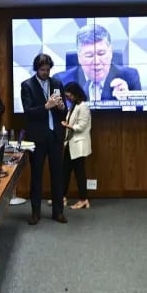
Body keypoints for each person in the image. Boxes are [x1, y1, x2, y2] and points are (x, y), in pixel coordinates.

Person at [21, 53, 68, 225]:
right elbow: (28, 112)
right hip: (37, 137)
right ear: (36, 69)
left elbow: (64, 112)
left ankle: (58, 212)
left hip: (55, 136)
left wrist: (61, 107)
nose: (45, 73)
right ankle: (35, 213)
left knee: (58, 176)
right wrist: (46, 106)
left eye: (48, 69)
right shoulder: (27, 85)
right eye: (42, 70)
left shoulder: (57, 84)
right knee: (36, 176)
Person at [58, 23, 141, 101]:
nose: (96, 61)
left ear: (111, 52)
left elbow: (139, 109)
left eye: (101, 53)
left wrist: (127, 101)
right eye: (89, 55)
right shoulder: (61, 81)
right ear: (79, 57)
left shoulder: (129, 77)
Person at [60, 82, 92, 210]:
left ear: (76, 94)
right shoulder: (74, 106)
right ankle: (62, 197)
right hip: (71, 144)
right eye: (67, 96)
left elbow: (81, 126)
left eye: (69, 96)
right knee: (65, 171)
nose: (68, 98)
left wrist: (67, 125)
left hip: (79, 145)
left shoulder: (83, 106)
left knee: (79, 173)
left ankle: (84, 199)